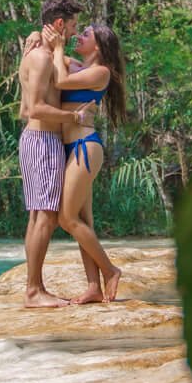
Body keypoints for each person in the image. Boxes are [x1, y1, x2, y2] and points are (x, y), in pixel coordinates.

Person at [16, 0, 97, 308]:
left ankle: (34, 288)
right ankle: (34, 291)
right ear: (60, 24)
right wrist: (73, 118)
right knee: (47, 216)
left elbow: (26, 105)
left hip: (39, 141)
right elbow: (32, 108)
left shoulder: (42, 54)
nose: (76, 32)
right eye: (74, 25)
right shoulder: (40, 58)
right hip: (42, 141)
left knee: (39, 215)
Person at [48, 21, 127, 305]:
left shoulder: (101, 72)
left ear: (100, 45)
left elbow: (60, 81)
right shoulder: (80, 66)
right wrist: (46, 40)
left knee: (66, 218)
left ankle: (110, 270)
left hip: (84, 147)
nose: (78, 38)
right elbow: (54, 59)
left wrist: (58, 48)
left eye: (85, 35)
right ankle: (93, 286)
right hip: (72, 148)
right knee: (84, 222)